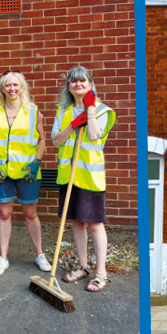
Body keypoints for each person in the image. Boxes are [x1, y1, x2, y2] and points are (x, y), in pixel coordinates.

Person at [50, 66, 116, 292]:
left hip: (90, 177)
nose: (78, 84)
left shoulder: (103, 110)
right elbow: (56, 141)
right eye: (73, 81)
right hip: (68, 176)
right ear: (68, 86)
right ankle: (83, 266)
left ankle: (101, 273)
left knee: (95, 224)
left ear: (90, 84)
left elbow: (95, 134)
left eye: (82, 81)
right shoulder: (62, 111)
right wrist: (72, 125)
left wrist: (88, 111)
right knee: (76, 222)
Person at [0, 71, 52, 276]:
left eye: (15, 85)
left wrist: (36, 162)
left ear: (22, 87)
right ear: (2, 88)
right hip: (1, 172)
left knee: (30, 213)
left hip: (27, 171)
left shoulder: (33, 111)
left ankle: (39, 254)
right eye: (8, 85)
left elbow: (41, 141)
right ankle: (3, 258)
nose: (12, 89)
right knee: (5, 213)